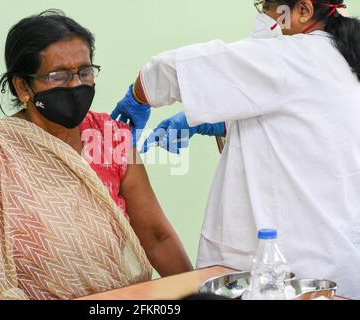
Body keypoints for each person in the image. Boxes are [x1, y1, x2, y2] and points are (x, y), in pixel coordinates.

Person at [0, 10, 192, 300]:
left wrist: (195, 294)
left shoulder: (110, 137)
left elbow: (157, 237)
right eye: (60, 75)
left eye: (85, 71)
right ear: (22, 86)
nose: (76, 84)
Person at [110, 0, 360, 298]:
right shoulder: (343, 58)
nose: (264, 17)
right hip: (338, 263)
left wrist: (137, 98)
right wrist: (224, 126)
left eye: (268, 7)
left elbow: (171, 69)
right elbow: (307, 137)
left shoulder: (290, 56)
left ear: (303, 10)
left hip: (288, 271)